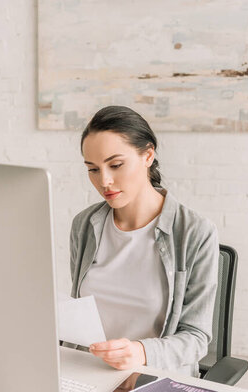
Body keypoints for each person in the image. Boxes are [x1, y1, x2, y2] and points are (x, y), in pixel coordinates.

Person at [67, 105, 219, 378]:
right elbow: (80, 316)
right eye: (92, 169)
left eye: (116, 165)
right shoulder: (84, 226)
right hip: (90, 374)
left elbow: (196, 338)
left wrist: (140, 353)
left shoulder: (195, 232)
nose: (105, 181)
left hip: (155, 375)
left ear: (148, 155)